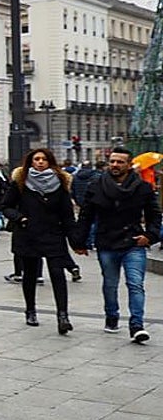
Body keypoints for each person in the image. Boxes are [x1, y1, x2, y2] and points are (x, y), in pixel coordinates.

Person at [72, 146, 161, 342]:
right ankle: (111, 316)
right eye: (112, 161)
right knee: (110, 284)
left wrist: (150, 236)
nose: (115, 165)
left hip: (134, 243)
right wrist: (79, 242)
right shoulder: (96, 186)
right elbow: (86, 216)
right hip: (107, 242)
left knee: (135, 284)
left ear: (129, 165)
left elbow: (155, 216)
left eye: (120, 162)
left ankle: (137, 325)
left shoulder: (142, 188)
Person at [1, 149, 76, 334]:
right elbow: (6, 206)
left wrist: (76, 240)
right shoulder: (20, 181)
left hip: (53, 234)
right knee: (30, 275)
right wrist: (20, 218)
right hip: (28, 233)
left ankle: (63, 316)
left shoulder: (60, 182)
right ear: (31, 162)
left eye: (44, 159)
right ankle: (31, 310)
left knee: (58, 275)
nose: (40, 162)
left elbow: (67, 214)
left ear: (50, 162)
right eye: (36, 159)